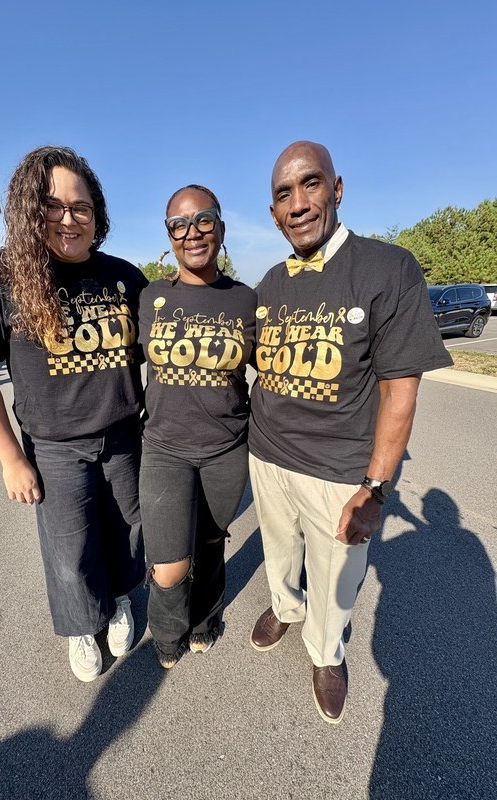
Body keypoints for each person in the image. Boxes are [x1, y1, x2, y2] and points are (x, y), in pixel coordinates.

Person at [248, 141, 453, 723]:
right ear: (272, 213)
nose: (297, 203)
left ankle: (325, 650)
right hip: (266, 457)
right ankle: (286, 609)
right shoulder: (269, 282)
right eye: (283, 194)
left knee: (337, 577)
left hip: (338, 471)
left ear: (337, 190)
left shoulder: (387, 268)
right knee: (279, 551)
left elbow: (400, 391)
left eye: (310, 185)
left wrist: (376, 488)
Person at [0, 145, 147, 682]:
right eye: (53, 206)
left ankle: (121, 599)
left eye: (81, 207)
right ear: (29, 211)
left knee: (128, 530)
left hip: (124, 435)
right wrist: (10, 457)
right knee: (71, 546)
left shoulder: (123, 276)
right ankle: (85, 623)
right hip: (55, 446)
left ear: (97, 213)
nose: (69, 219)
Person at [138, 185, 256, 668]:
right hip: (164, 449)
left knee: (210, 545)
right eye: (179, 225)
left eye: (204, 220)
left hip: (226, 448)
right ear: (169, 236)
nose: (192, 233)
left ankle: (206, 619)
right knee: (169, 566)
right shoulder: (150, 297)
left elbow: (273, 377)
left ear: (221, 229)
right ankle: (168, 633)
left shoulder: (247, 300)